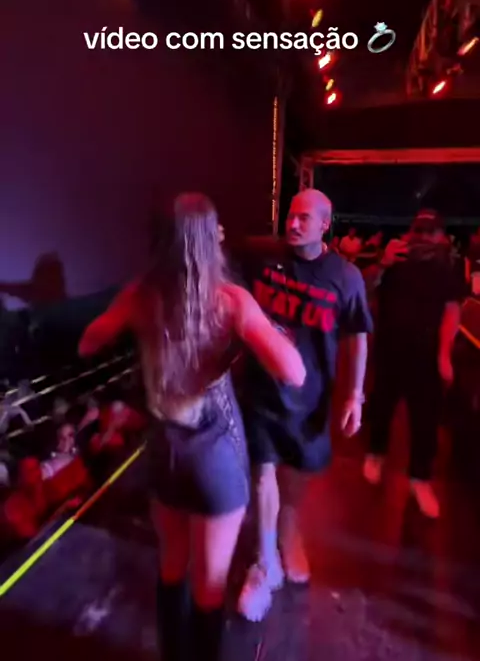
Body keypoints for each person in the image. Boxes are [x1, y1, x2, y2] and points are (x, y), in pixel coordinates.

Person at [78, 192, 305, 661]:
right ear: (208, 240)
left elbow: (88, 343)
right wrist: (271, 335)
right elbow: (294, 372)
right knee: (209, 585)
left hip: (163, 452)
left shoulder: (140, 297)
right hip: (214, 456)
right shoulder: (231, 302)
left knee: (171, 568)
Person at [236, 189, 373, 622]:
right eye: (290, 216)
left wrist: (354, 394)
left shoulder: (345, 277)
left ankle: (288, 531)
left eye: (303, 219)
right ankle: (264, 561)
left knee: (296, 476)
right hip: (262, 391)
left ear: (324, 225)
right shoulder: (263, 257)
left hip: (311, 399)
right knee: (263, 474)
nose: (293, 225)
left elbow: (357, 335)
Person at [363, 210, 466, 519]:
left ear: (440, 236)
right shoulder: (394, 260)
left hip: (427, 357)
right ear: (410, 231)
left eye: (429, 231)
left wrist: (444, 354)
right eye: (418, 229)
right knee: (380, 408)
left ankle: (419, 479)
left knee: (425, 422)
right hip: (389, 351)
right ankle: (376, 454)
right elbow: (364, 292)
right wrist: (383, 264)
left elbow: (452, 311)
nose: (422, 236)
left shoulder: (448, 267)